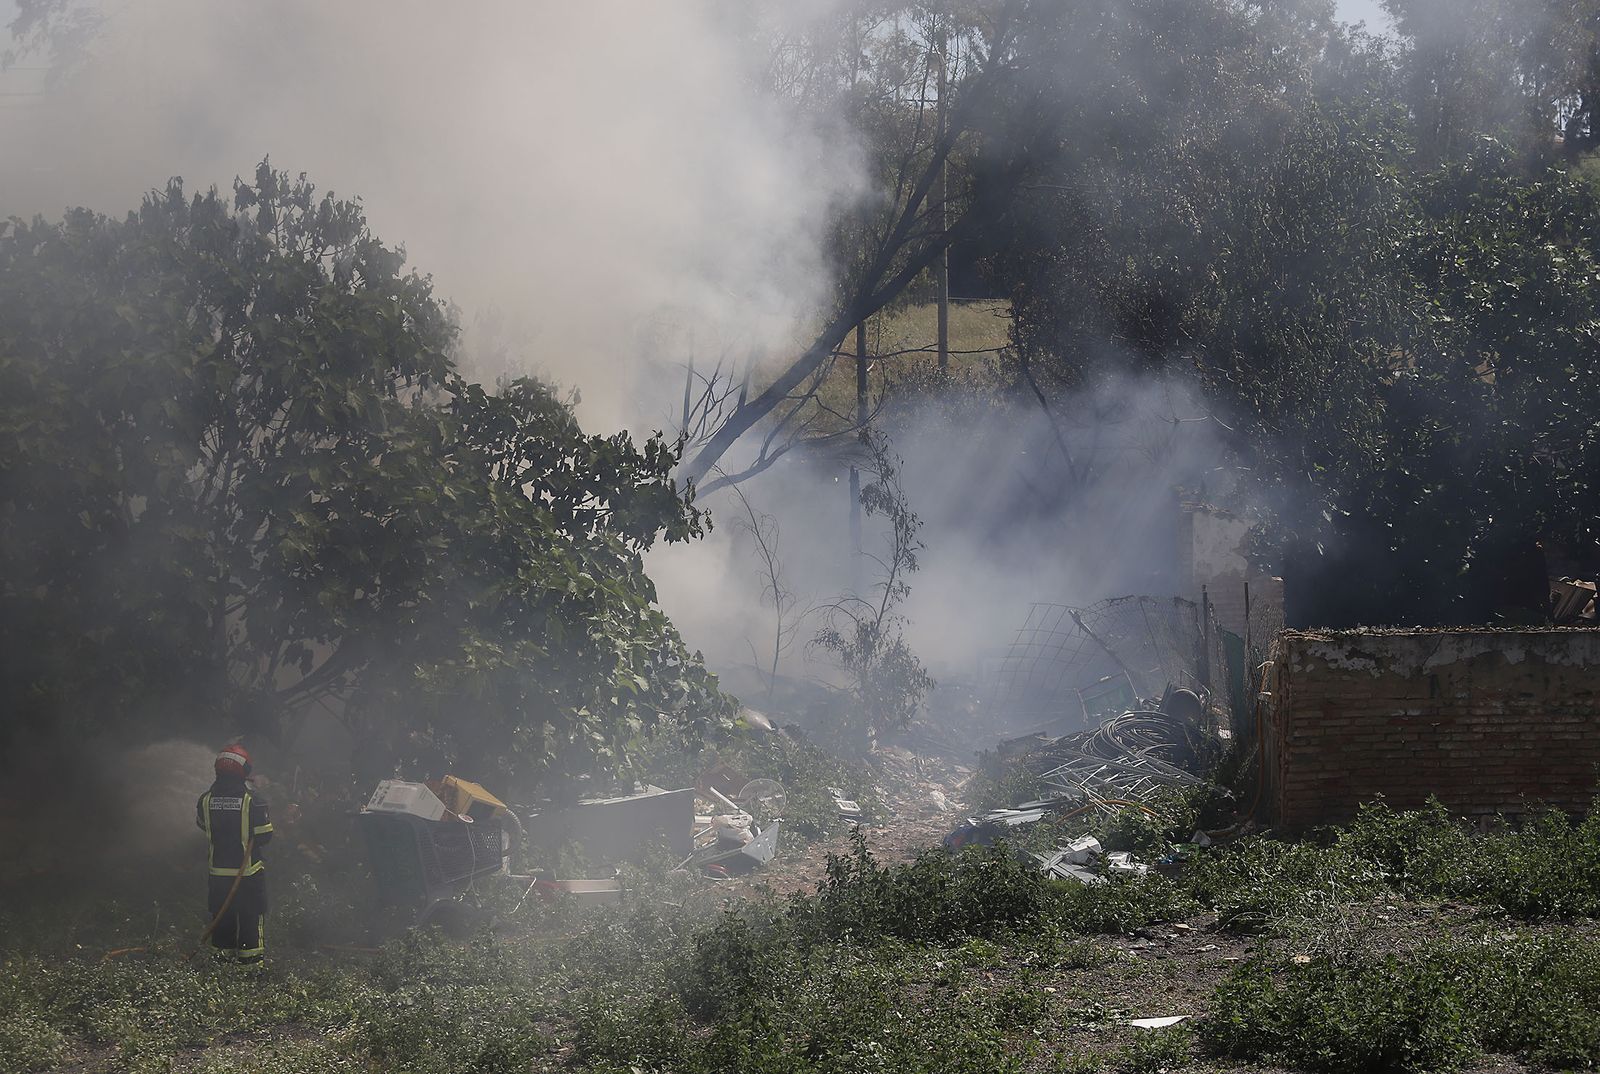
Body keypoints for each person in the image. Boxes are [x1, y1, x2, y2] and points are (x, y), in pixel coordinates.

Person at [195, 744, 273, 963]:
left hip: (218, 874)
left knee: (222, 919)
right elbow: (265, 835)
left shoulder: (205, 800)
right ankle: (250, 968)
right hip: (247, 874)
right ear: (244, 770)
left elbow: (203, 825)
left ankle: (222, 965)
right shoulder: (254, 801)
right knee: (250, 917)